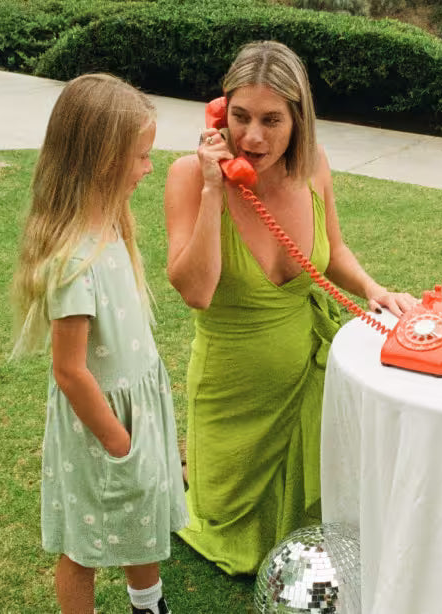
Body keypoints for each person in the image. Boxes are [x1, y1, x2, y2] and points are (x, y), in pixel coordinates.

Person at [162, 41, 417, 575]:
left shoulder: (314, 166)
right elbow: (196, 292)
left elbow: (334, 249)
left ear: (300, 120)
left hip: (307, 373)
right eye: (239, 117)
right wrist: (214, 191)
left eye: (272, 120)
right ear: (219, 113)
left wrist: (374, 289)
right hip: (233, 387)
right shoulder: (188, 175)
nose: (252, 137)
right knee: (225, 522)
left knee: (325, 523)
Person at [10, 73, 185, 614]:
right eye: (140, 157)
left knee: (144, 512)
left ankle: (147, 603)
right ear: (103, 160)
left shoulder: (113, 227)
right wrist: (119, 441)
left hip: (135, 412)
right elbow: (70, 371)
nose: (148, 169)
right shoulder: (72, 259)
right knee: (83, 545)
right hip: (100, 427)